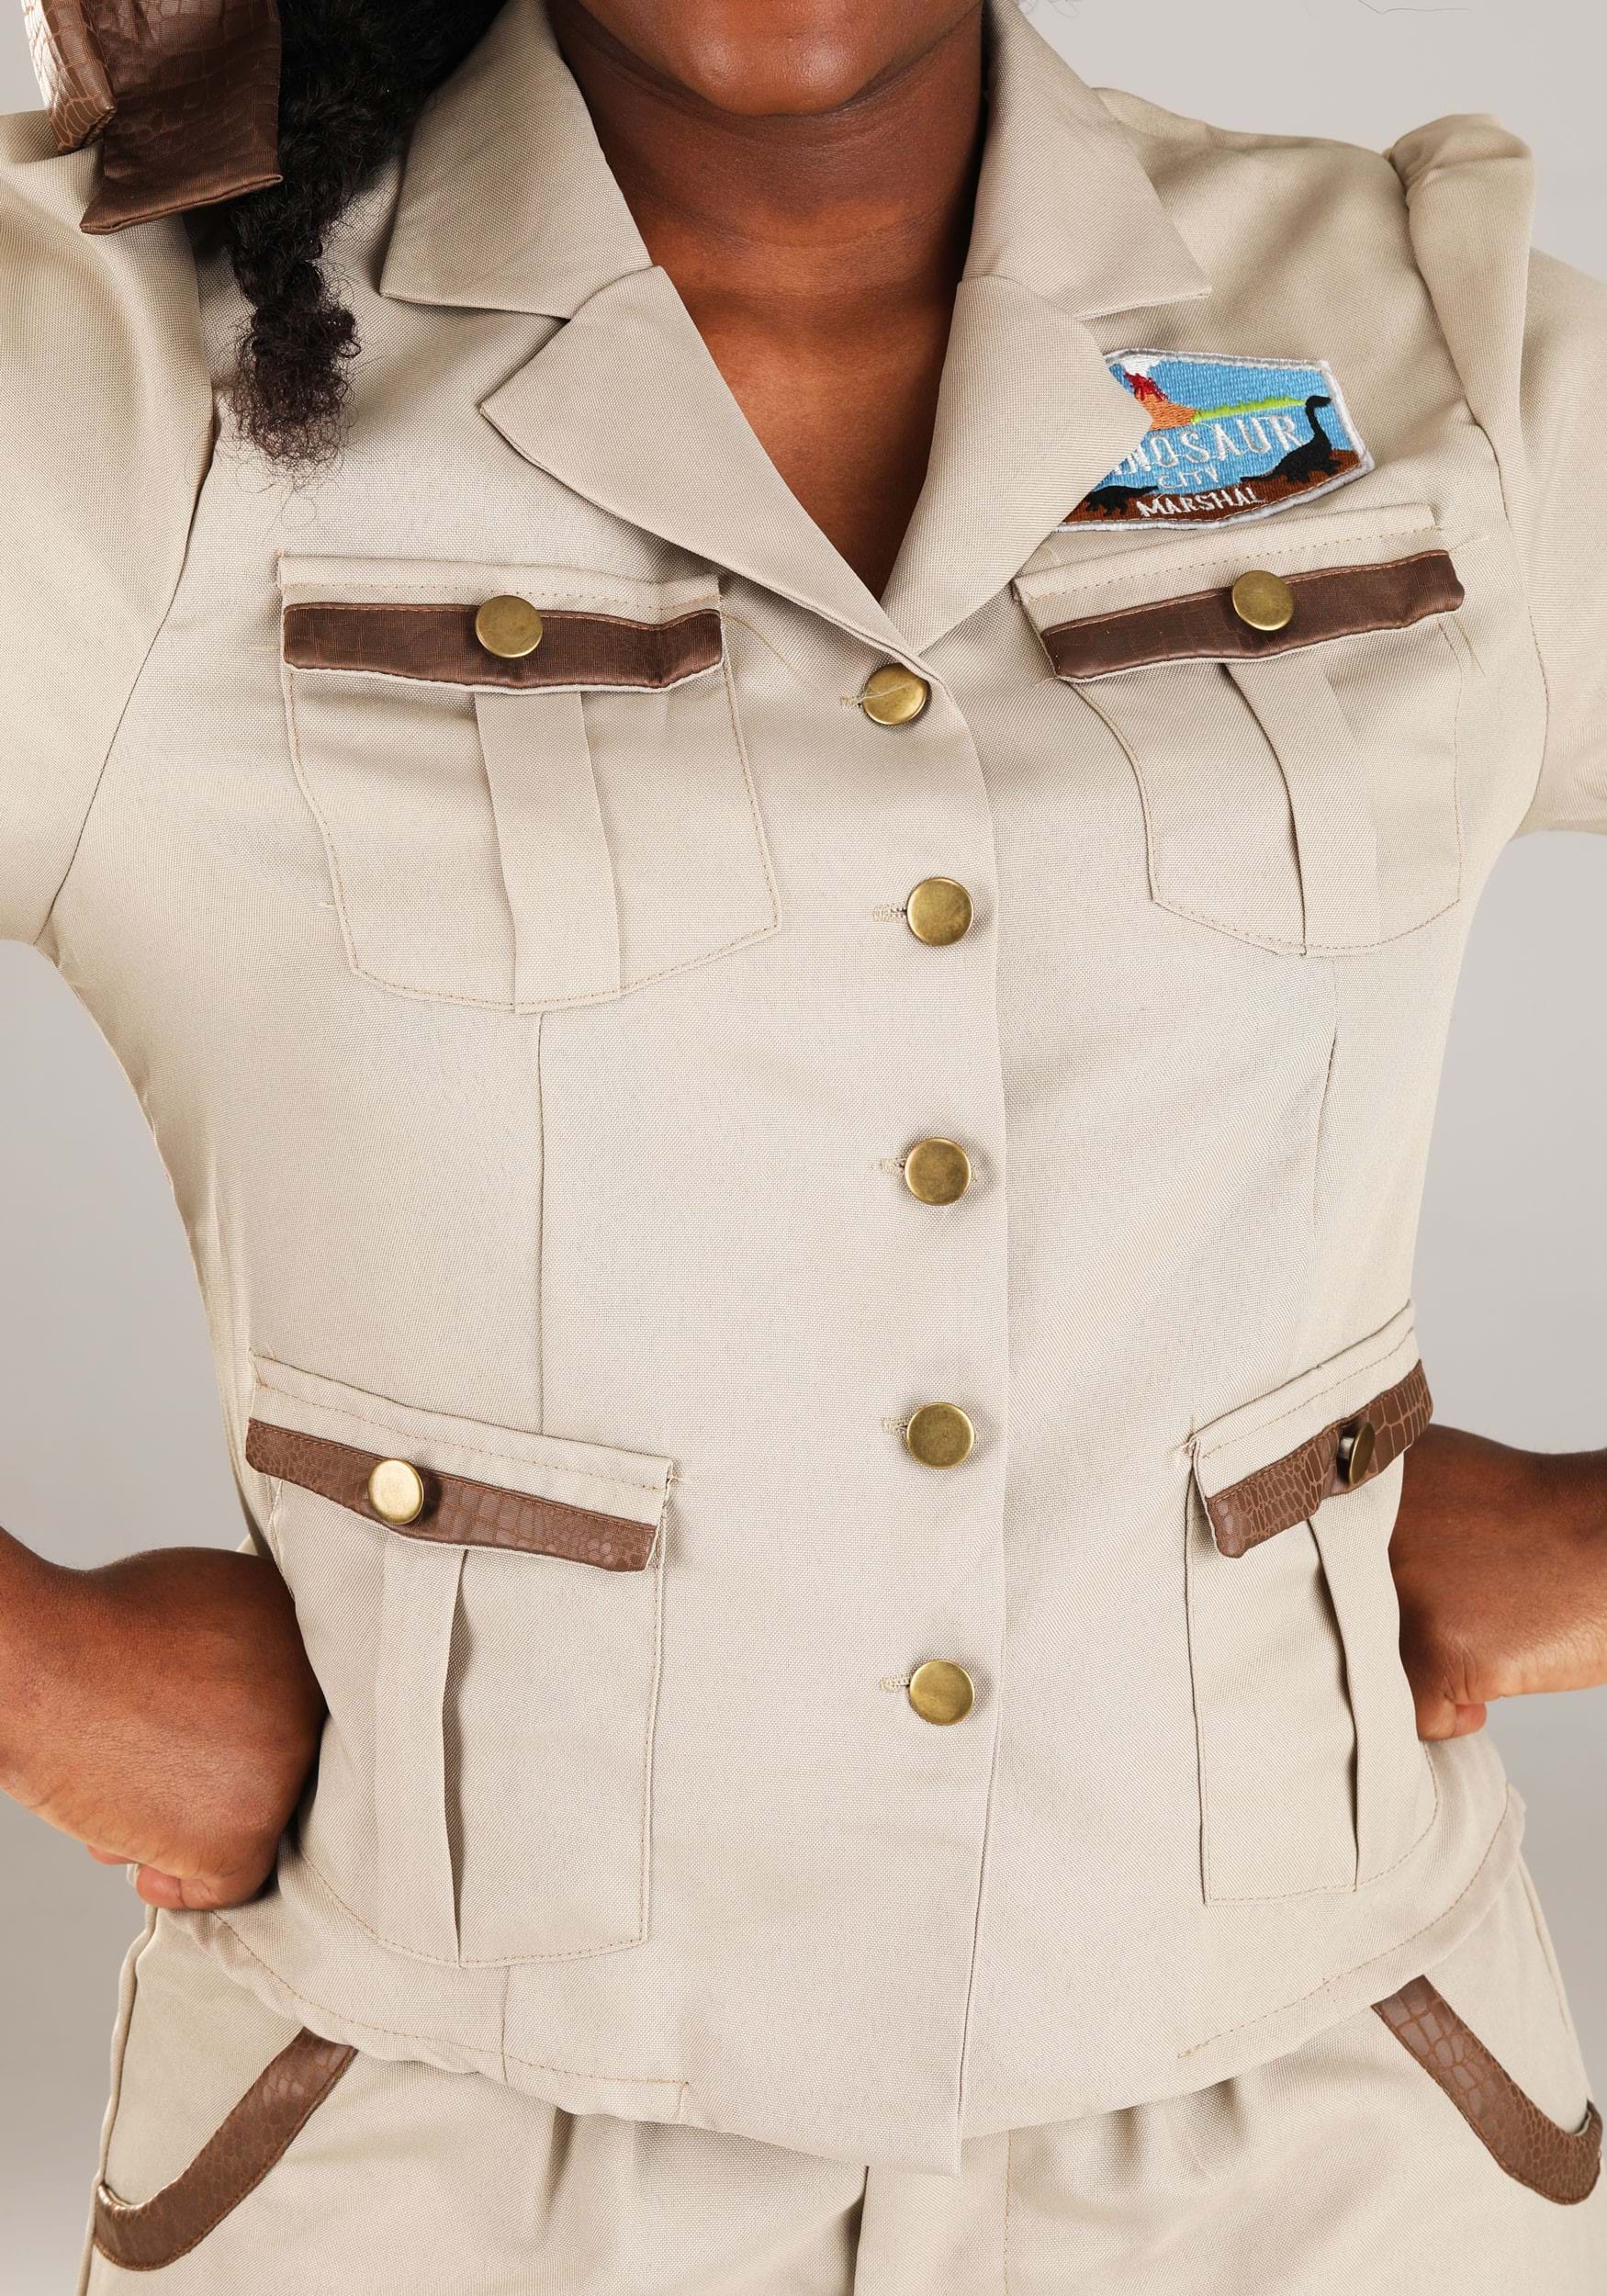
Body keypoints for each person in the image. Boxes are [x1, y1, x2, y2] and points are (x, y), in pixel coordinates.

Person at [4, 0, 1605, 2286]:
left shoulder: (1399, 333)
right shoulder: (126, 387)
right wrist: (47, 1683)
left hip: (1332, 2146)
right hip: (444, 2158)